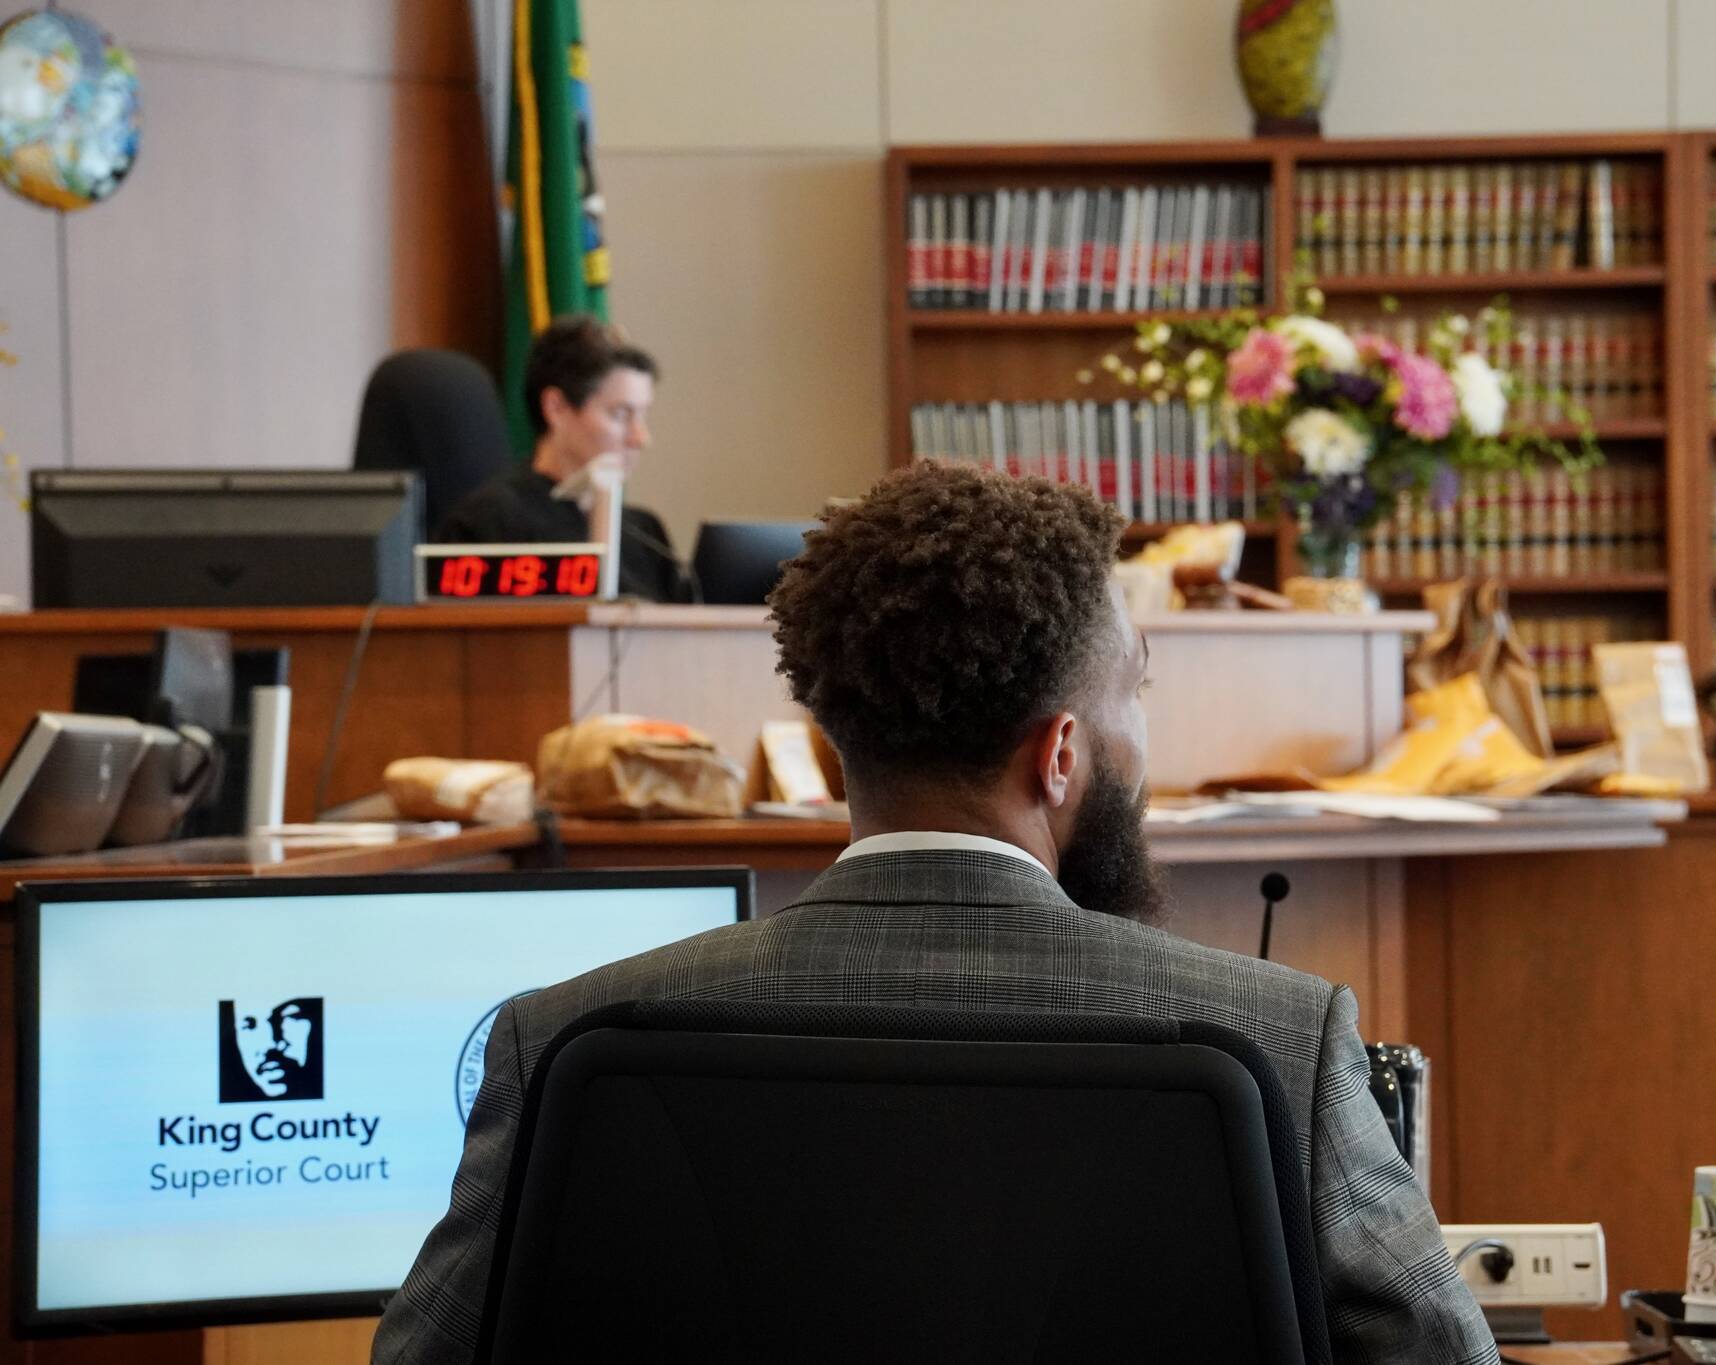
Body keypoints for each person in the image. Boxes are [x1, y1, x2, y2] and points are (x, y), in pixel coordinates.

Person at [373, 462, 1496, 1365]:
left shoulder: (559, 1037)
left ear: (827, 745)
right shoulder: (1283, 1045)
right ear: (1060, 756)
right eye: (1134, 696)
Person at [435, 314, 693, 602]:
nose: (641, 438)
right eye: (621, 415)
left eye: (643, 416)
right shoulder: (488, 521)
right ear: (556, 408)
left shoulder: (645, 531)